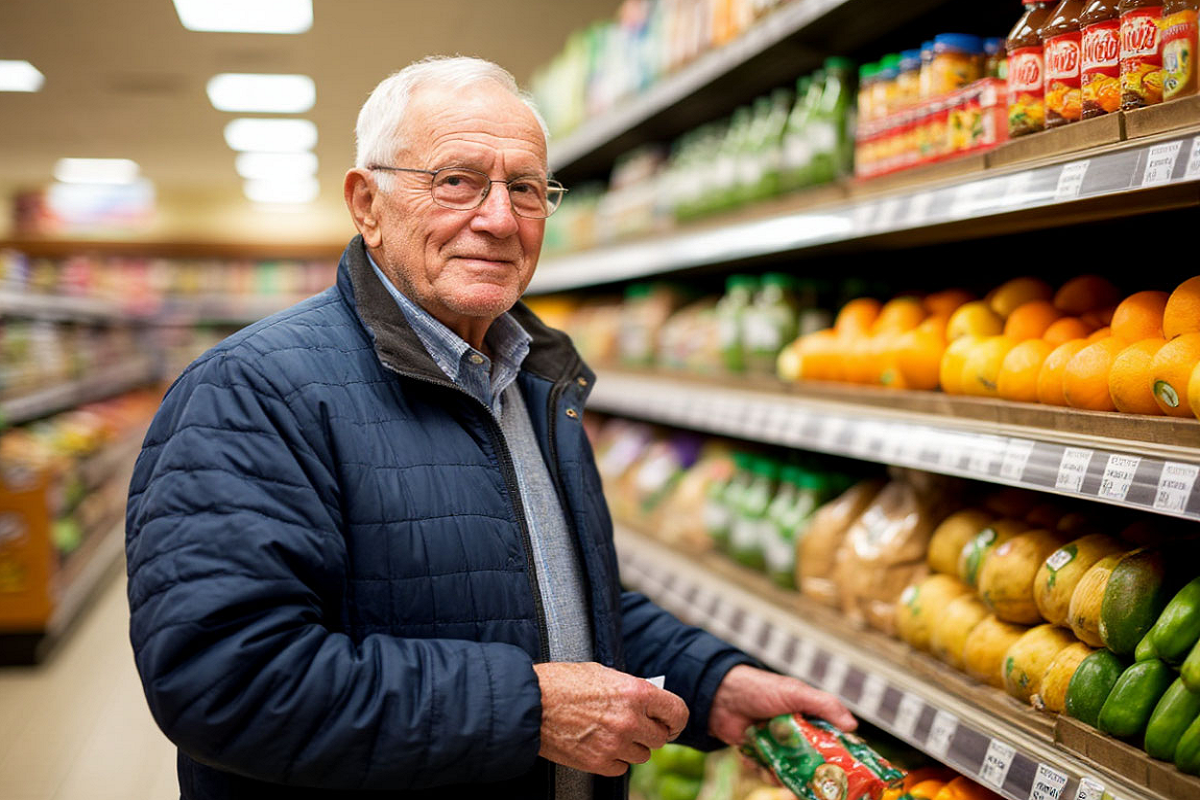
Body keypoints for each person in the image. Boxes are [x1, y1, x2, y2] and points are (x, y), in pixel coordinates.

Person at [125, 56, 855, 800]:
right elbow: (226, 681)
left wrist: (711, 683)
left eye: (527, 189)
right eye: (456, 180)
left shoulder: (533, 381)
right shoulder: (251, 392)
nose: (501, 219)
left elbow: (559, 603)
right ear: (367, 204)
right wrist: (528, 710)